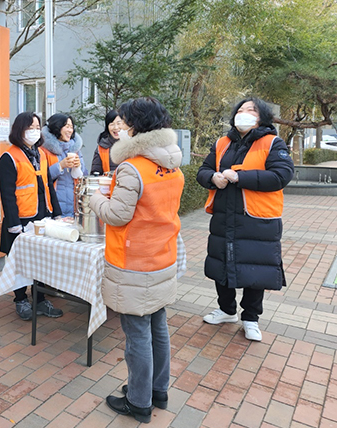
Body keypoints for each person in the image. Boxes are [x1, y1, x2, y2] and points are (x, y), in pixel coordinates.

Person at [89, 97, 184, 423]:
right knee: (158, 327)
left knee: (137, 336)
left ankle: (139, 401)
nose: (120, 127)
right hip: (162, 256)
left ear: (138, 127)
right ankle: (159, 390)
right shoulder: (171, 162)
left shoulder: (132, 167)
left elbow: (117, 215)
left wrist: (96, 200)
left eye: (125, 122)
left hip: (133, 261)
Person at [196, 98, 294, 342]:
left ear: (261, 117)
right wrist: (212, 178)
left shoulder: (272, 143)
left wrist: (239, 177)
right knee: (222, 264)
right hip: (224, 216)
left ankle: (250, 318)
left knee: (255, 268)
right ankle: (227, 310)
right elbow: (203, 170)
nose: (243, 114)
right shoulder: (222, 143)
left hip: (256, 218)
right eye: (239, 110)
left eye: (250, 110)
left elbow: (281, 175)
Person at [0, 112, 64, 321]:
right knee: (19, 261)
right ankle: (20, 299)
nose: (35, 131)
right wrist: (14, 224)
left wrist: (57, 213)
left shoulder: (41, 154)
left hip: (43, 215)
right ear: (20, 130)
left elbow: (47, 185)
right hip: (21, 218)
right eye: (30, 127)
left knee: (42, 259)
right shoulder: (8, 157)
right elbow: (7, 194)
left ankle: (40, 299)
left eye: (37, 127)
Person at [40, 113, 88, 216]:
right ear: (57, 127)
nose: (70, 130)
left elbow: (83, 176)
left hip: (74, 206)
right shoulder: (44, 150)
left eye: (71, 127)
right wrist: (60, 166)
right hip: (53, 206)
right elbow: (41, 177)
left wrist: (78, 166)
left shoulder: (75, 149)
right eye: (67, 126)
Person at [90, 110, 122, 175]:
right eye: (112, 124)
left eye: (119, 123)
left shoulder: (131, 144)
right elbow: (95, 173)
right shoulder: (102, 147)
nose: (116, 127)